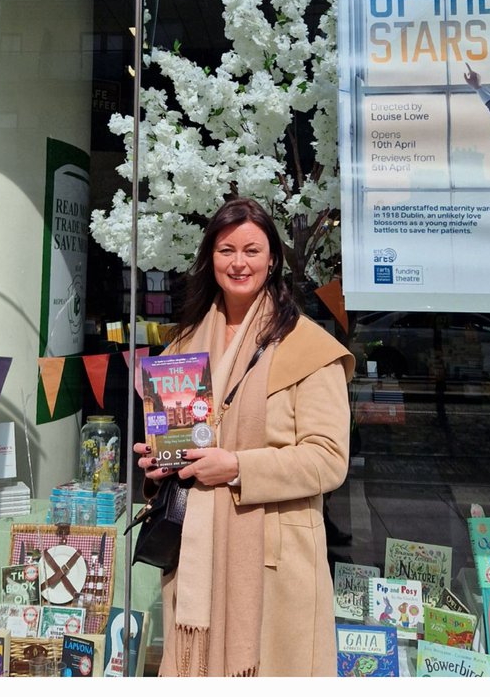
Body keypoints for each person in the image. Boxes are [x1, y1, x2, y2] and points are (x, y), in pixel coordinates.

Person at [133, 196, 353, 676]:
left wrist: (236, 468)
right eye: (226, 250)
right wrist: (157, 466)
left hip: (272, 560)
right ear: (210, 258)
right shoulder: (184, 345)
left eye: (252, 251)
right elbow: (179, 452)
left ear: (272, 258)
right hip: (197, 555)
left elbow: (329, 459)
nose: (239, 263)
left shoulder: (308, 347)